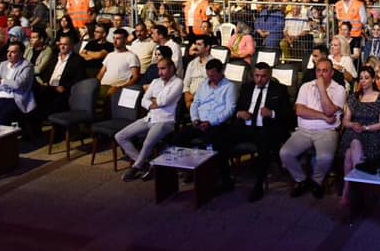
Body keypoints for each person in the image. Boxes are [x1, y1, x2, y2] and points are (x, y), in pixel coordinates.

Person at [280, 57, 347, 199]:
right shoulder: (306, 86)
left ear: (331, 73)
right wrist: (323, 117)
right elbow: (300, 111)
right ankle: (301, 180)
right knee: (285, 153)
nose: (321, 74)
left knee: (326, 157)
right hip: (304, 130)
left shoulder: (339, 89)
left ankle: (317, 181)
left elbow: (329, 110)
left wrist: (322, 88)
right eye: (318, 71)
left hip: (327, 132)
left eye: (325, 71)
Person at [230, 61, 292, 202]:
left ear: (269, 75)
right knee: (222, 138)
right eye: (257, 76)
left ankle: (258, 185)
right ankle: (223, 177)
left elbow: (288, 114)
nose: (259, 79)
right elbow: (237, 108)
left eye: (263, 76)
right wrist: (240, 113)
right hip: (246, 126)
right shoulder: (247, 88)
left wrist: (272, 113)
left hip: (266, 128)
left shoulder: (279, 89)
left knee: (264, 147)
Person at [172, 58, 238, 187]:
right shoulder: (203, 85)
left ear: (221, 72)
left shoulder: (229, 87)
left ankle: (221, 179)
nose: (210, 78)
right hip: (199, 122)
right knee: (179, 138)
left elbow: (229, 110)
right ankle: (189, 170)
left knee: (214, 142)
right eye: (208, 75)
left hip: (217, 125)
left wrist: (210, 122)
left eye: (213, 75)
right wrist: (195, 119)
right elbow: (195, 104)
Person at [117, 57, 183, 182]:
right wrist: (152, 103)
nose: (160, 72)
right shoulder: (155, 82)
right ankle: (145, 164)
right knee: (120, 136)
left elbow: (164, 101)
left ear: (172, 68)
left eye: (163, 69)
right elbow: (143, 100)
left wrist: (153, 100)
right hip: (150, 117)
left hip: (166, 120)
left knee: (147, 142)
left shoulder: (178, 82)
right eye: (159, 69)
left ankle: (136, 167)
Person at [337, 65, 380, 207]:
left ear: (373, 79)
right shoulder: (354, 97)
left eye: (367, 78)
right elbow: (346, 121)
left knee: (350, 152)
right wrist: (354, 125)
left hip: (373, 133)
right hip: (355, 131)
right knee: (353, 143)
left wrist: (365, 128)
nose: (363, 81)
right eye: (361, 78)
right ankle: (356, 187)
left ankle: (348, 190)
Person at [36, 35, 87, 116]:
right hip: (48, 87)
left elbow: (79, 79)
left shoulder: (78, 60)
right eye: (60, 44)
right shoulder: (55, 57)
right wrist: (45, 82)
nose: (62, 46)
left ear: (71, 45)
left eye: (65, 44)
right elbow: (48, 72)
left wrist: (65, 86)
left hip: (62, 89)